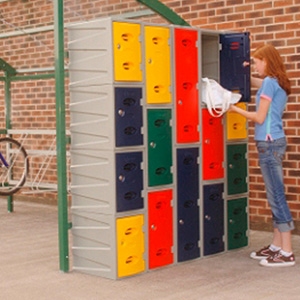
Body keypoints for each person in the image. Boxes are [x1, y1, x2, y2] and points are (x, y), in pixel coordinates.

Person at [228, 44, 295, 267]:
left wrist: (235, 109)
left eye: (257, 62)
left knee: (276, 196)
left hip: (268, 143)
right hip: (274, 142)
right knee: (274, 194)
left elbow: (258, 117)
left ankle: (287, 251)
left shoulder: (269, 83)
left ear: (267, 61)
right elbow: (255, 83)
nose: (255, 66)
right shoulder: (277, 83)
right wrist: (244, 70)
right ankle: (277, 245)